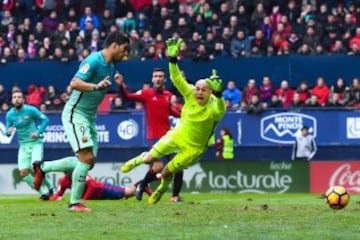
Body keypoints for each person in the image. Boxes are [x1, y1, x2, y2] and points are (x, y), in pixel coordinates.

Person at [32, 31, 130, 212]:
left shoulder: (110, 67)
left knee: (88, 162)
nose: (126, 54)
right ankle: (74, 202)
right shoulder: (93, 60)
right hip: (75, 114)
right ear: (114, 45)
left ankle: (43, 167)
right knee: (86, 158)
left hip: (90, 118)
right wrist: (96, 86)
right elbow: (74, 83)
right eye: (124, 49)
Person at [120, 38, 226, 204]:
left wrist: (219, 95)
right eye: (197, 89)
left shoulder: (214, 105)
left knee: (167, 171)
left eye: (203, 90)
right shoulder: (190, 93)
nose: (198, 92)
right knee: (150, 160)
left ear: (210, 92)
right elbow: (176, 78)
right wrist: (172, 59)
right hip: (176, 134)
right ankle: (139, 160)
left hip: (194, 148)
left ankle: (162, 190)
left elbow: (221, 110)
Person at [118, 67, 184, 202]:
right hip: (154, 136)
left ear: (164, 79)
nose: (158, 78)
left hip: (169, 137)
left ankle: (175, 196)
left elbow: (172, 112)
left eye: (160, 76)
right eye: (156, 76)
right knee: (158, 167)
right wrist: (120, 85)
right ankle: (142, 184)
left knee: (178, 166)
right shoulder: (146, 94)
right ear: (152, 79)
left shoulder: (168, 95)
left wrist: (186, 114)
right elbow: (127, 97)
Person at [5, 90, 54, 200]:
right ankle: (43, 193)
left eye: (19, 97)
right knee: (23, 173)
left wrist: (38, 132)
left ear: (23, 99)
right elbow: (7, 131)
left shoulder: (30, 110)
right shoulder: (10, 115)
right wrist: (8, 132)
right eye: (14, 97)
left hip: (35, 143)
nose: (17, 99)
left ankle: (51, 188)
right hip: (23, 146)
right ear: (12, 100)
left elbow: (45, 120)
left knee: (36, 166)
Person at [49, 172, 145, 201]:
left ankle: (143, 184)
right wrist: (51, 198)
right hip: (98, 197)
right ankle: (141, 185)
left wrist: (85, 199)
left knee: (130, 192)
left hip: (102, 189)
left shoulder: (80, 173)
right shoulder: (64, 181)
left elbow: (93, 186)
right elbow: (59, 193)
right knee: (126, 195)